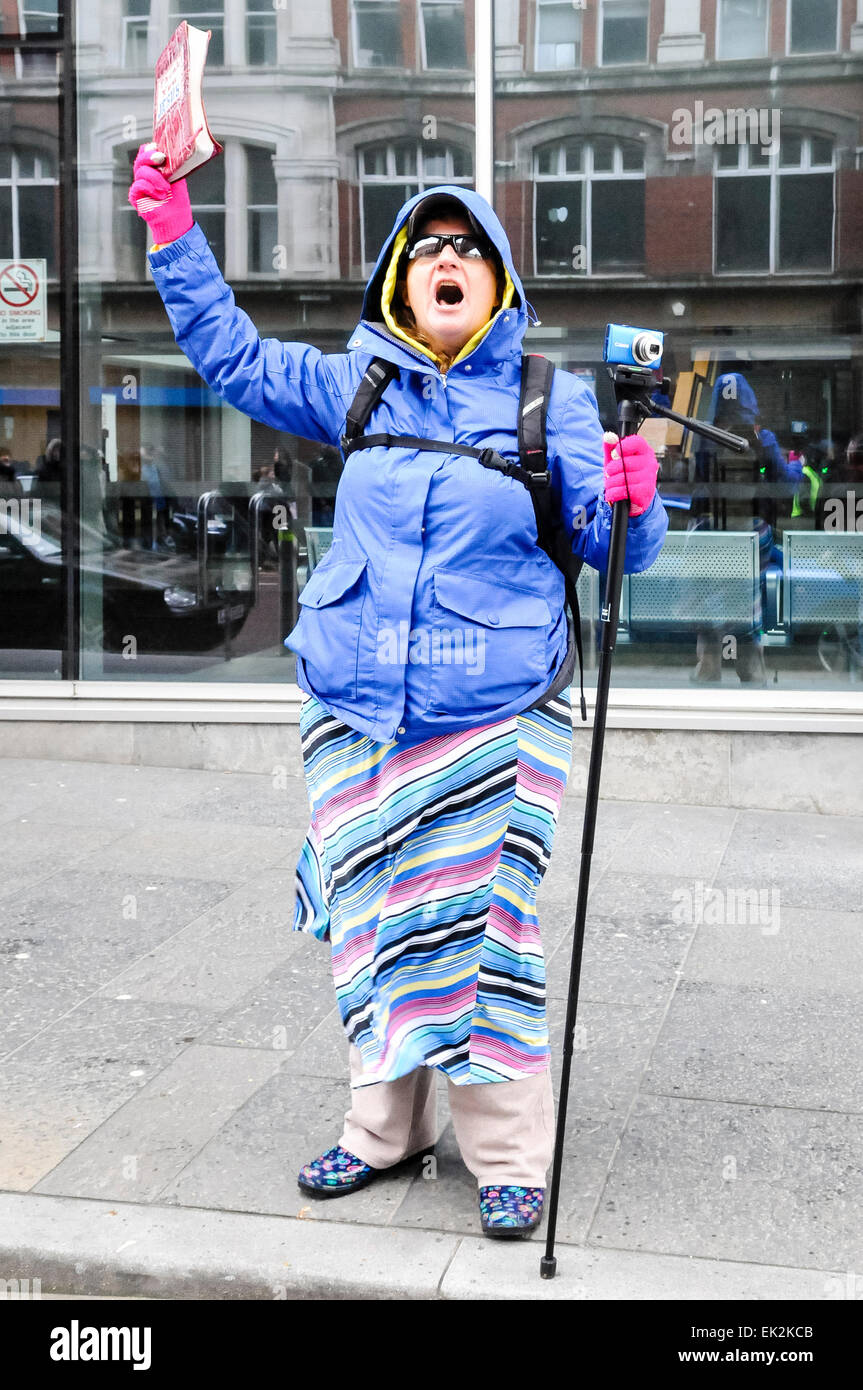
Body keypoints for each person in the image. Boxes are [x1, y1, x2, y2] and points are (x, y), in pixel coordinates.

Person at [129, 143, 667, 1237]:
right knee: (373, 926)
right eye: (427, 246)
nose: (446, 258)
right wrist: (173, 227)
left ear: (500, 279)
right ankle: (384, 1131)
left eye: (468, 246)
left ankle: (506, 1149)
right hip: (355, 711)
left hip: (495, 717)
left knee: (480, 930)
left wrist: (635, 493)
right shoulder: (357, 381)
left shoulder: (548, 401)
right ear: (398, 278)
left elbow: (620, 549)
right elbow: (228, 354)